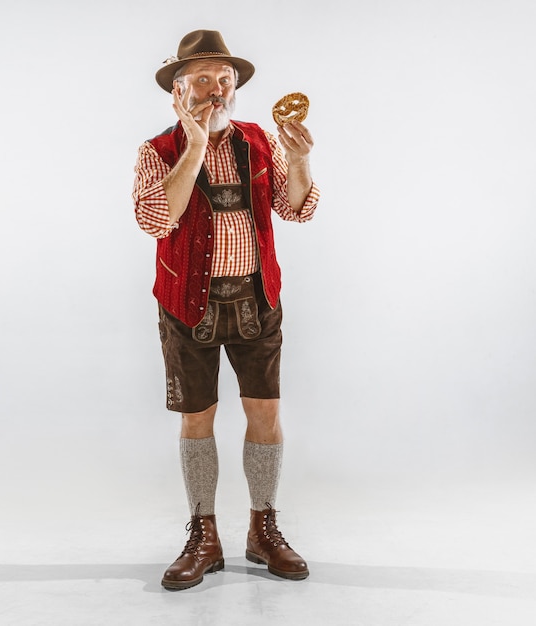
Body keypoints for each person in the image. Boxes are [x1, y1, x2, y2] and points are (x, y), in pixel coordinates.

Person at [132, 29, 320, 591]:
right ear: (178, 90)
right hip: (188, 305)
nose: (217, 89)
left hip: (257, 301)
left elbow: (296, 210)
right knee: (198, 419)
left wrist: (303, 161)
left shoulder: (261, 141)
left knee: (265, 413)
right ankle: (204, 532)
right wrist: (193, 146)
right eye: (203, 80)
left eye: (225, 80)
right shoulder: (156, 150)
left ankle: (263, 527)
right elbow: (156, 219)